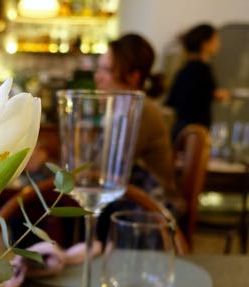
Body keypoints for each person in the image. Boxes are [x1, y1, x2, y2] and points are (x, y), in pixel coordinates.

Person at [94, 33, 184, 216]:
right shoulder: (122, 109)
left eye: (106, 70)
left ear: (133, 77)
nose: (97, 77)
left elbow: (102, 170)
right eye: (98, 69)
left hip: (151, 212)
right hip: (130, 203)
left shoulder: (140, 111)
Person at [166, 23, 231, 141]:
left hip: (179, 128)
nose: (219, 45)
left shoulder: (183, 69)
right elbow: (215, 93)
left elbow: (171, 100)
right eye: (216, 40)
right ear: (206, 44)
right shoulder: (203, 69)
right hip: (197, 130)